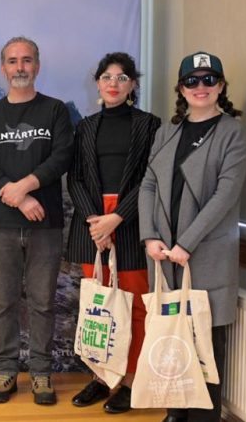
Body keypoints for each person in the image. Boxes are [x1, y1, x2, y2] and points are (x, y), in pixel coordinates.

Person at [139, 51, 246, 422]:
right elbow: (149, 184)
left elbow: (226, 195)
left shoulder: (232, 132)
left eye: (208, 79)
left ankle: (203, 416)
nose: (200, 87)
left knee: (205, 347)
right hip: (164, 254)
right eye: (192, 81)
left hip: (207, 256)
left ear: (220, 86)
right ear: (181, 89)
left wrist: (186, 242)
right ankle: (175, 411)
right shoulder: (167, 132)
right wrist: (149, 237)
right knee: (173, 339)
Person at [0, 36, 74, 405]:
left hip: (44, 224)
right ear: (3, 68)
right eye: (13, 61)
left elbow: (62, 156)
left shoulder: (56, 111)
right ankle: (6, 371)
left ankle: (42, 374)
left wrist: (26, 187)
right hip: (1, 223)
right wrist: (14, 195)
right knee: (3, 301)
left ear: (37, 65)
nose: (20, 67)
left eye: (27, 60)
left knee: (43, 301)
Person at [66, 52, 161, 414]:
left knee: (135, 308)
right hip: (93, 228)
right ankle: (103, 377)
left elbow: (150, 179)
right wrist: (96, 221)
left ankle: (131, 380)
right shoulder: (85, 127)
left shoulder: (150, 125)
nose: (113, 83)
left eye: (122, 78)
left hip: (133, 223)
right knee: (98, 307)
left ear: (133, 84)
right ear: (97, 82)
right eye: (107, 77)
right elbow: (73, 177)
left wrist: (116, 218)